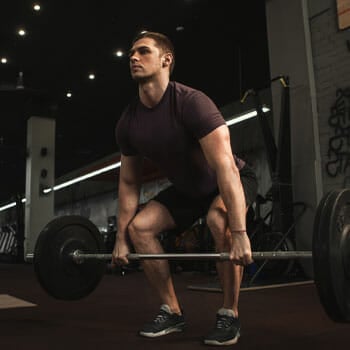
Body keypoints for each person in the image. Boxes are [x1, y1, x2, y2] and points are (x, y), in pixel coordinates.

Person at [112, 30, 258, 346]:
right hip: (188, 189)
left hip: (233, 179)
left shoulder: (192, 103)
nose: (133, 57)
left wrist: (240, 232)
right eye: (131, 54)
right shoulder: (129, 121)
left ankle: (229, 314)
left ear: (166, 60)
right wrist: (120, 239)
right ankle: (172, 311)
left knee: (219, 221)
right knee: (140, 228)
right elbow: (128, 182)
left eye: (143, 51)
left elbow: (226, 169)